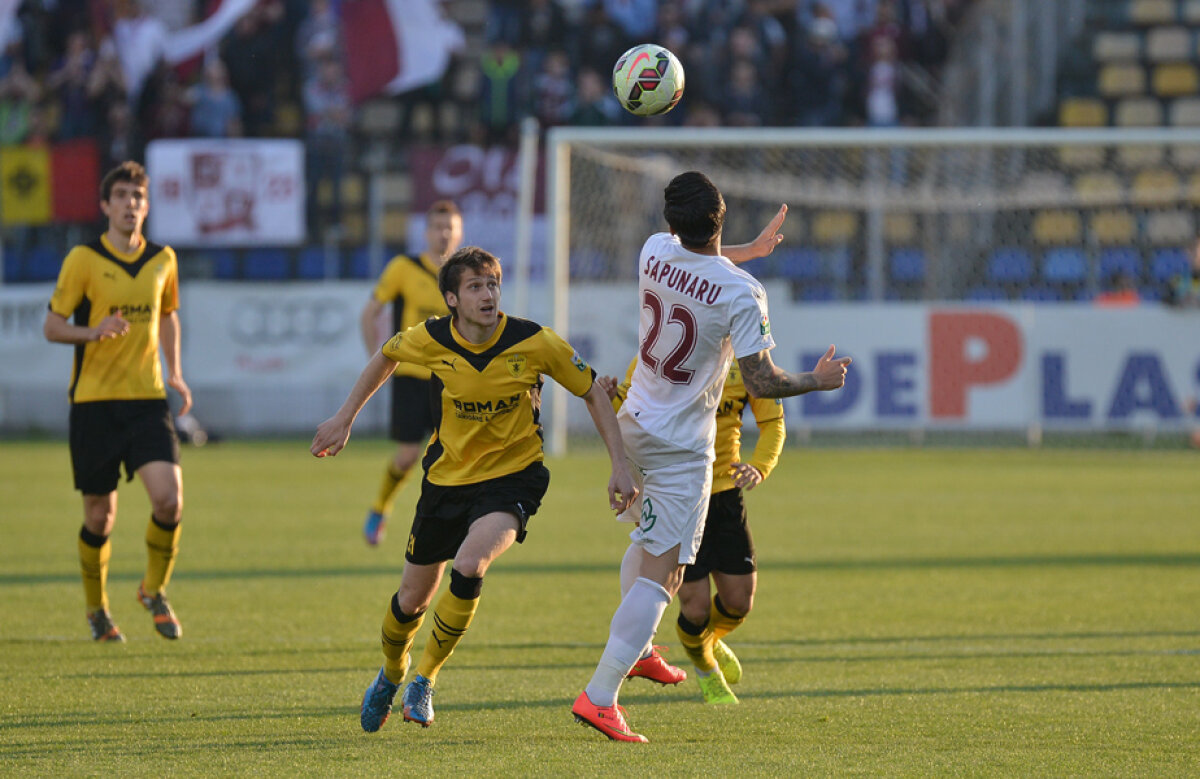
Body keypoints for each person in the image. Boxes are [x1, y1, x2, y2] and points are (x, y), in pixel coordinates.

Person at [572, 171, 851, 743]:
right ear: (720, 219)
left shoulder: (653, 251)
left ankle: (642, 648)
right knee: (667, 574)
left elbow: (699, 261)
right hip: (682, 446)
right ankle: (600, 697)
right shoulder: (742, 292)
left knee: (642, 545)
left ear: (673, 223)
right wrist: (818, 381)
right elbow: (763, 381)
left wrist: (747, 251)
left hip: (634, 425)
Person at [311, 246, 637, 733]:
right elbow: (386, 356)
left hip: (513, 478)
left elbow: (591, 390)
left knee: (470, 564)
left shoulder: (535, 341)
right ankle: (392, 673)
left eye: (493, 285)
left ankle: (424, 679)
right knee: (410, 601)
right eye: (475, 287)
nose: (488, 295)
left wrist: (619, 465)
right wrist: (344, 418)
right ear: (452, 299)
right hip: (446, 481)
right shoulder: (430, 339)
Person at [43, 160, 192, 643]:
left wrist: (175, 373)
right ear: (105, 205)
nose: (131, 204)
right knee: (98, 516)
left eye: (138, 197)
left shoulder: (163, 259)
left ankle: (153, 589)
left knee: (169, 500)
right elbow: (52, 325)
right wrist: (93, 331)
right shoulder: (83, 259)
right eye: (122, 196)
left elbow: (168, 315)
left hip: (148, 400)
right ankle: (97, 610)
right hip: (94, 404)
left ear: (147, 207)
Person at [599, 352, 785, 704]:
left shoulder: (746, 362)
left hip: (725, 495)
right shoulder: (660, 351)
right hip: (677, 490)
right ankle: (704, 667)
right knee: (695, 607)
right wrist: (611, 397)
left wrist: (760, 466)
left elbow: (773, 421)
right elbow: (628, 402)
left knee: (739, 601)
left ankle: (706, 641)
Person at [359, 200, 463, 546]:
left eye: (450, 227)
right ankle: (380, 508)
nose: (443, 233)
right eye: (437, 227)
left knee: (455, 456)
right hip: (410, 378)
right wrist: (378, 358)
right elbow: (370, 313)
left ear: (459, 231)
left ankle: (453, 523)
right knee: (407, 455)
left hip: (451, 380)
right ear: (426, 232)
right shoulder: (403, 267)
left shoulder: (465, 275)